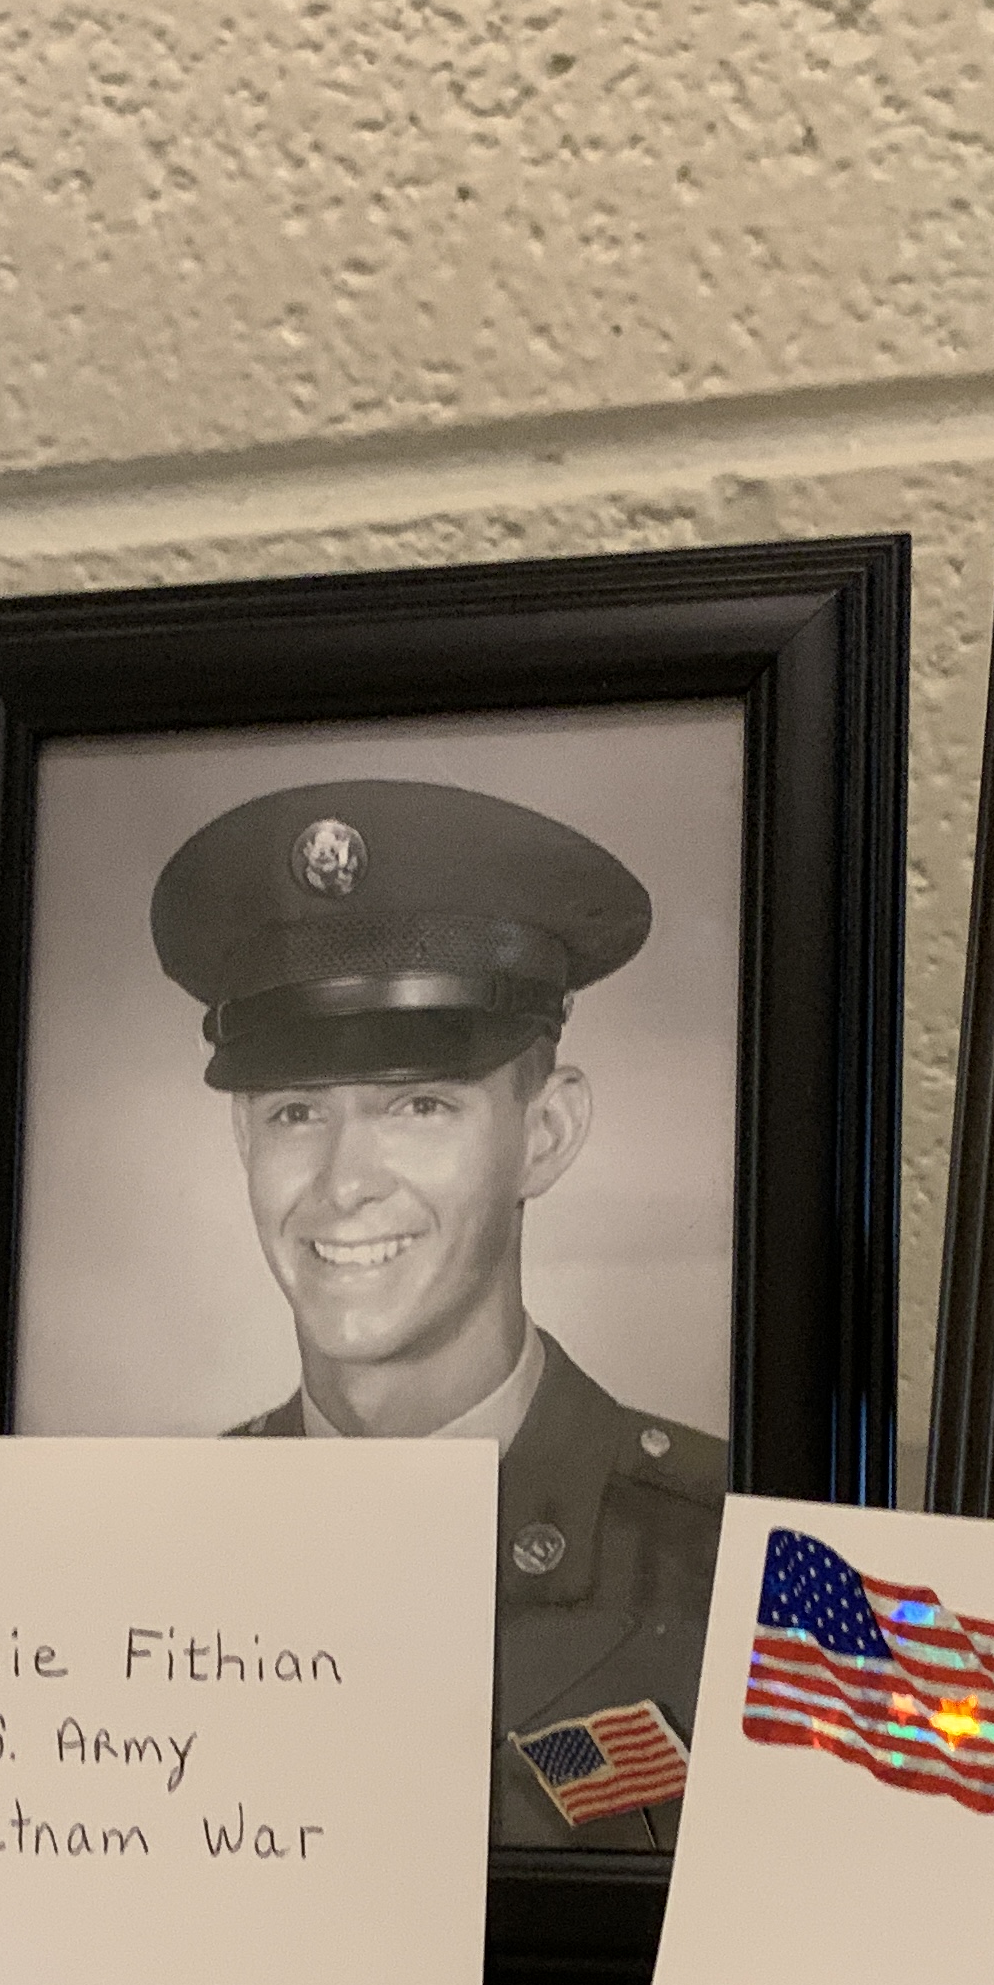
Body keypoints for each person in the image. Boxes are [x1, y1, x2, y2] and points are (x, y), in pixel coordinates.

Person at [151, 778, 726, 1848]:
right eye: (295, 1113)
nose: (344, 1184)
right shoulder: (145, 1551)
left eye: (419, 1105)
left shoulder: (722, 1555)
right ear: (242, 1141)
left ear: (546, 1136)